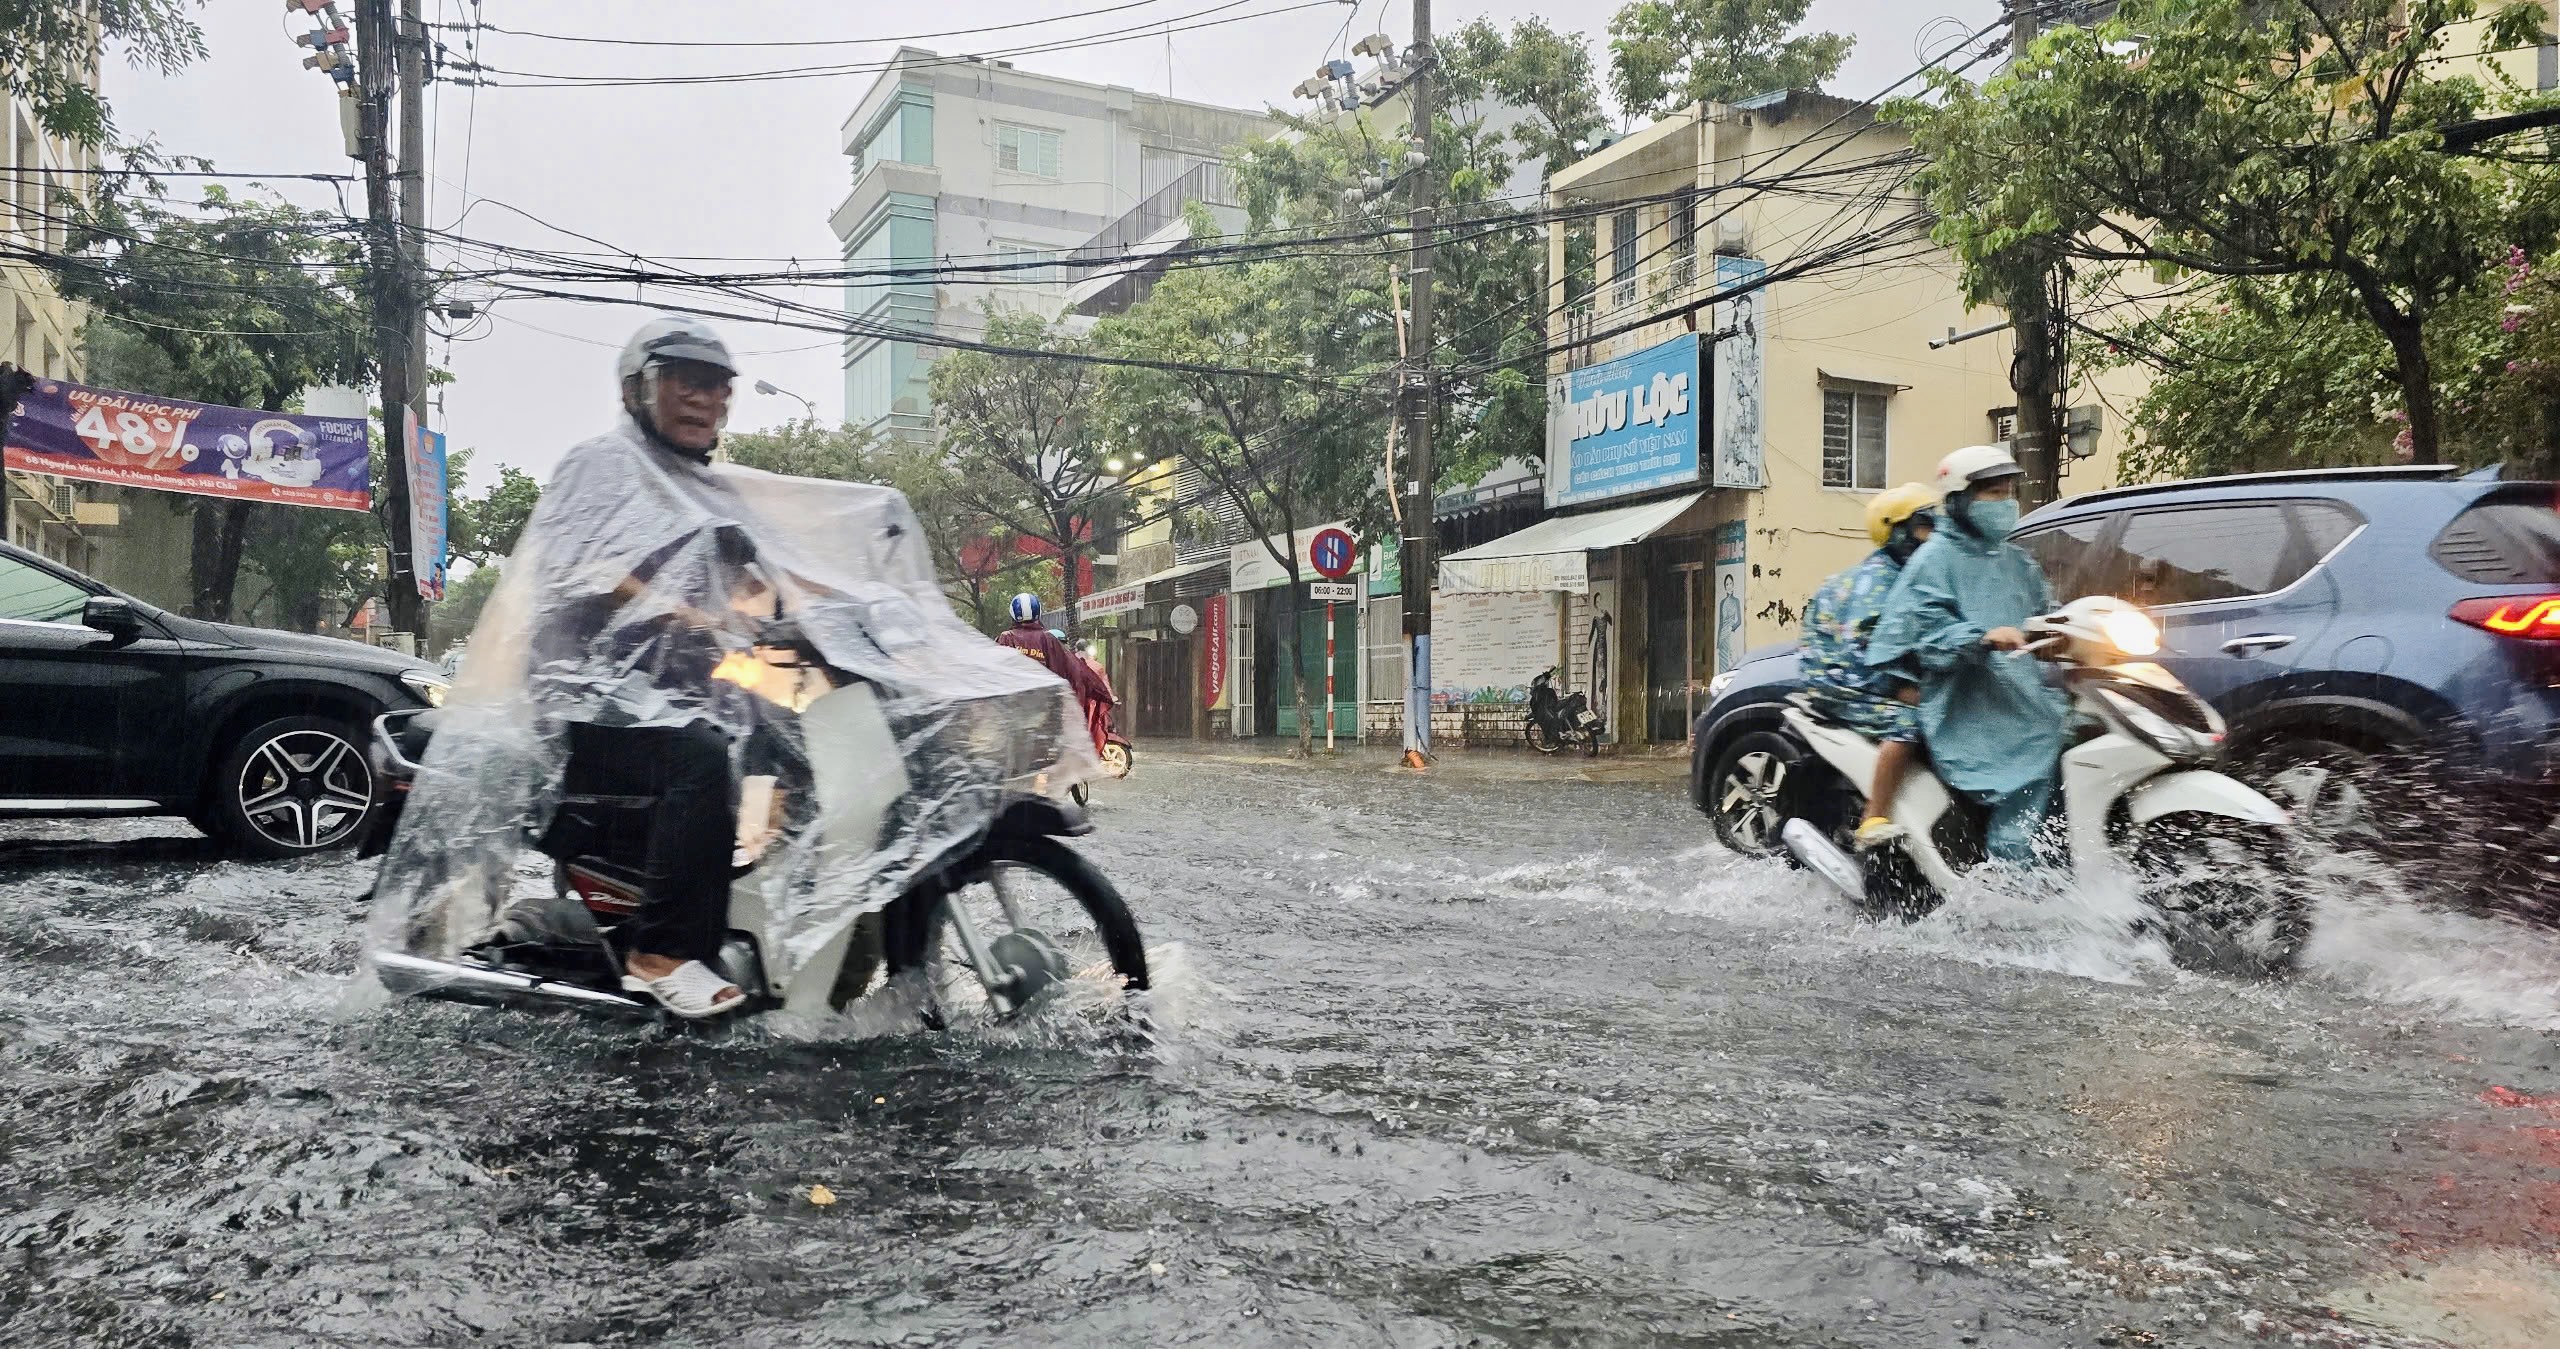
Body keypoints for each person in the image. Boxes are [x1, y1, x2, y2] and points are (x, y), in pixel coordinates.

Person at [528, 314, 759, 1018]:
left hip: (666, 689)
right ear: (635, 390)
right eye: (685, 381)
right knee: (701, 757)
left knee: (785, 731)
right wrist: (670, 608)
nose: (705, 399)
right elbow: (573, 563)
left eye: (718, 386)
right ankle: (660, 950)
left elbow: (759, 571)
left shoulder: (702, 488)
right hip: (582, 698)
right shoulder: (601, 463)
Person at [1865, 445, 2073, 865]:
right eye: (1992, 494)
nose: (2005, 504)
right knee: (2027, 788)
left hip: (2022, 693)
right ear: (1960, 500)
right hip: (1970, 705)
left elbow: (2047, 615)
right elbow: (1923, 632)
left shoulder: (2016, 560)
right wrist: (1979, 638)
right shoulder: (1933, 561)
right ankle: (2012, 876)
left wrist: (2070, 635)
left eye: (2009, 492)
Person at [1798, 482, 1938, 848]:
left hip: (1856, 676)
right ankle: (1875, 816)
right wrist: (1904, 690)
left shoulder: (1904, 574)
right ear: (1896, 531)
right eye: (1923, 526)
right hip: (1845, 683)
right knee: (1908, 722)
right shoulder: (1881, 581)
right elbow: (1872, 654)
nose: (1931, 534)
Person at [995, 594, 1114, 709]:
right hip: (1047, 712)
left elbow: (994, 672)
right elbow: (1076, 670)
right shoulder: (1048, 639)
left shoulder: (1006, 638)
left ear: (1013, 614)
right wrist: (1104, 694)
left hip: (1013, 710)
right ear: (1038, 613)